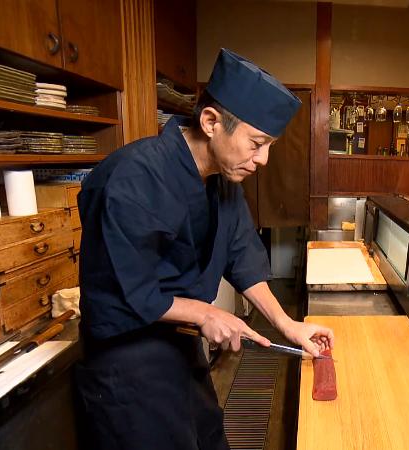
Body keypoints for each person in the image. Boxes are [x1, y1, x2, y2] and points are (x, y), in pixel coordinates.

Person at [75, 48, 334, 450]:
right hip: (126, 363)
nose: (262, 160)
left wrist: (289, 326)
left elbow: (242, 258)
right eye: (256, 143)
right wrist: (204, 312)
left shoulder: (222, 182)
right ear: (211, 122)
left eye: (269, 146)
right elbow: (131, 287)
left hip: (180, 347)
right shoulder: (131, 178)